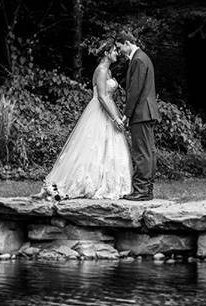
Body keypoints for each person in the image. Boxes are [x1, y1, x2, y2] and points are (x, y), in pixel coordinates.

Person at [38, 42, 133, 200]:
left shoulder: (108, 71)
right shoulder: (101, 70)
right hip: (100, 111)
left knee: (109, 148)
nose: (117, 53)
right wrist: (115, 117)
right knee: (93, 148)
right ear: (106, 53)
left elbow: (108, 97)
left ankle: (112, 183)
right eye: (115, 50)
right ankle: (85, 183)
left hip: (109, 108)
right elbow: (102, 97)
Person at [114, 30, 159, 201]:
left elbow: (134, 91)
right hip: (145, 111)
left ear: (127, 43)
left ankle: (141, 190)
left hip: (141, 112)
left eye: (120, 48)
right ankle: (147, 189)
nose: (119, 52)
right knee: (149, 152)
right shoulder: (142, 57)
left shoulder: (138, 60)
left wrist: (126, 115)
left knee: (142, 152)